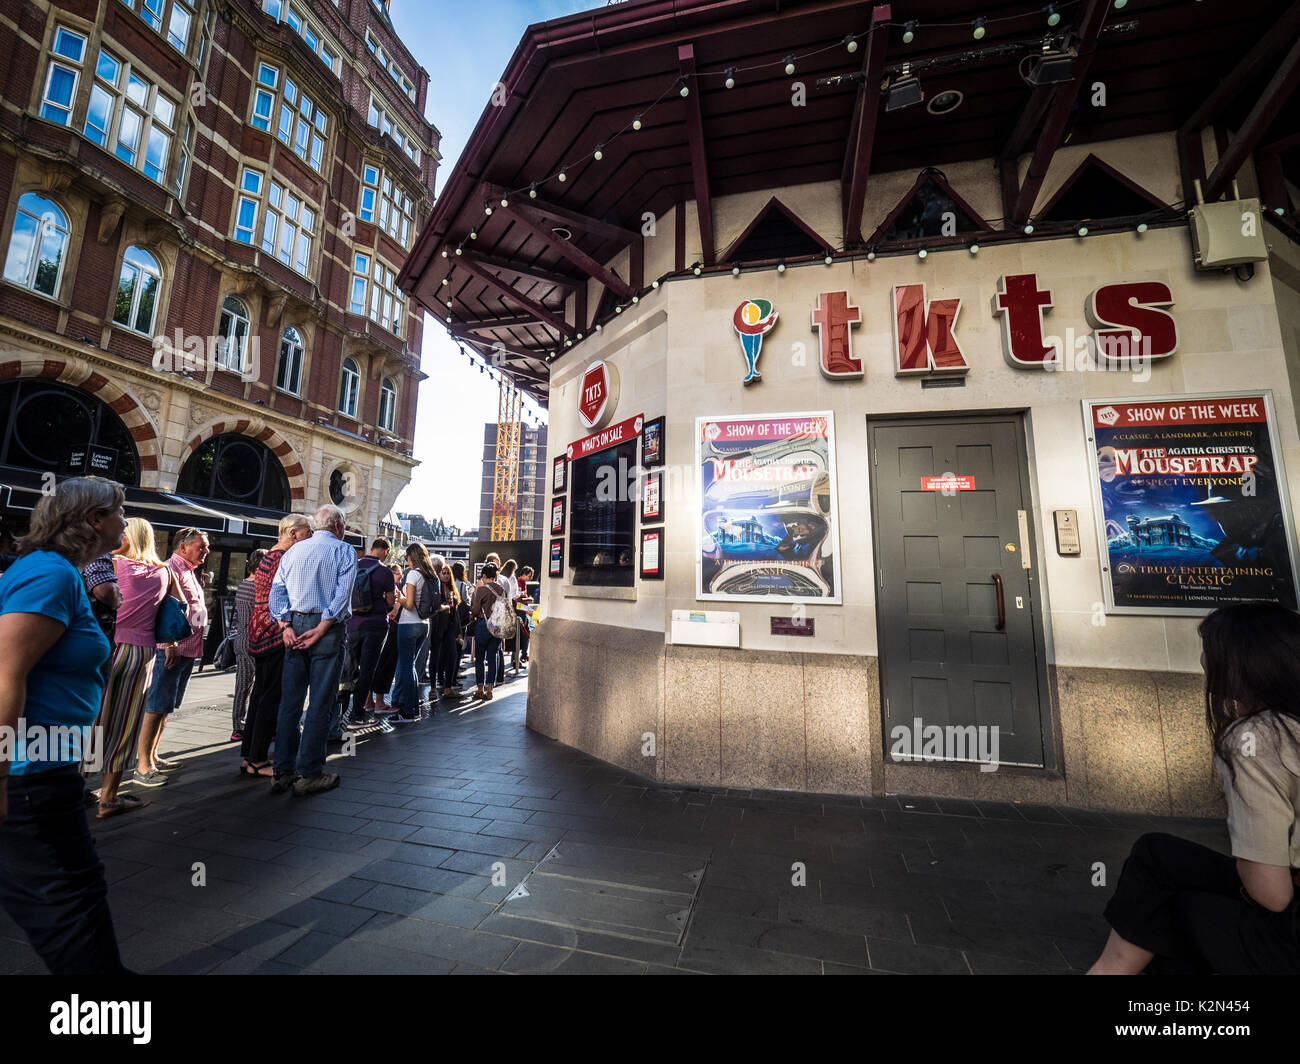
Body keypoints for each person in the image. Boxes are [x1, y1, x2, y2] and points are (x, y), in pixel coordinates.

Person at [1089, 603, 1300, 975]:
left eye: (1211, 651)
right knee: (1160, 857)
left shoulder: (1259, 738)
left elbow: (1273, 895)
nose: (1203, 661)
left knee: (1167, 907)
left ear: (1244, 664)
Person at [0, 476, 128, 974]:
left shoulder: (60, 573)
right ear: (94, 520)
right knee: (68, 910)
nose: (125, 519)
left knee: (78, 895)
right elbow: (7, 675)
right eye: (119, 510)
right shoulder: (49, 574)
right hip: (29, 775)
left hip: (48, 768)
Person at [88, 517, 176, 818]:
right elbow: (178, 607)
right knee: (125, 722)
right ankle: (109, 796)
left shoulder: (112, 565)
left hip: (110, 647)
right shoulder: (164, 572)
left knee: (94, 718)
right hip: (144, 652)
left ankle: (75, 787)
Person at [268, 504, 356, 795]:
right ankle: (309, 773)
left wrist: (285, 626)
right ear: (339, 527)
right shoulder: (344, 551)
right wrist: (323, 626)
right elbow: (342, 595)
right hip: (326, 630)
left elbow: (277, 590)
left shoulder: (294, 551)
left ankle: (282, 770)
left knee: (290, 703)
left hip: (294, 624)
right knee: (320, 701)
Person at [135, 528, 209, 787]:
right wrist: (169, 643)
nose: (206, 551)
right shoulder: (170, 569)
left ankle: (153, 755)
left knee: (166, 705)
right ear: (183, 547)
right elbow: (163, 610)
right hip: (172, 648)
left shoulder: (188, 570)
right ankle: (143, 765)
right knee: (156, 705)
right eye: (201, 547)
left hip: (187, 648)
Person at [240, 514, 311, 778]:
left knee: (260, 694)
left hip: (259, 630)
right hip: (275, 632)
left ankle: (249, 755)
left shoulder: (269, 556)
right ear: (293, 533)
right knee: (271, 696)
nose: (310, 537)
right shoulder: (286, 558)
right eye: (307, 532)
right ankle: (258, 759)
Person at [343, 537, 396, 730]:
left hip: (352, 624)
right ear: (386, 551)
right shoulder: (385, 572)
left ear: (371, 548)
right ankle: (358, 713)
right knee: (367, 670)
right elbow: (391, 602)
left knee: (349, 668)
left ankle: (341, 712)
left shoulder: (353, 566)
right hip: (375, 625)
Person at [392, 543, 436, 723]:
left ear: (412, 557)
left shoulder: (413, 574)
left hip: (409, 624)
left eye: (407, 558)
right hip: (424, 624)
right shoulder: (432, 576)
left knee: (406, 667)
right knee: (411, 666)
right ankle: (409, 706)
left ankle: (409, 710)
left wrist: (399, 598)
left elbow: (409, 604)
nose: (407, 561)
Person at [230, 549, 266, 742]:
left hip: (241, 639)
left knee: (242, 686)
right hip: (256, 642)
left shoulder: (243, 585)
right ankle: (254, 724)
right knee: (261, 686)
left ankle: (237, 726)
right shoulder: (259, 589)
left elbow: (237, 616)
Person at [368, 564, 403, 713]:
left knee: (372, 665)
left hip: (373, 628)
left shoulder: (374, 585)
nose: (401, 576)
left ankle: (368, 700)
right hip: (390, 629)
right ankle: (380, 702)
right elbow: (394, 610)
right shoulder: (392, 589)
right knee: (385, 665)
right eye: (398, 573)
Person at [469, 563, 506, 701]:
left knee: (480, 658)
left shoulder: (482, 589)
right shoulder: (501, 589)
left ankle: (480, 689)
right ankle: (490, 690)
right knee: (492, 657)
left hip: (483, 625)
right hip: (497, 626)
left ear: (484, 575)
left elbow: (476, 610)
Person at [429, 564, 461, 700]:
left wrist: (458, 631)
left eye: (448, 573)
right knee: (435, 658)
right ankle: (433, 688)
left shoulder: (452, 589)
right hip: (437, 627)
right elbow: (433, 608)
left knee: (452, 655)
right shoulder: (436, 588)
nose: (446, 575)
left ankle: (448, 688)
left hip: (450, 627)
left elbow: (455, 611)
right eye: (443, 573)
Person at [82, 551, 120, 647]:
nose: (123, 534)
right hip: (89, 642)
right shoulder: (97, 549)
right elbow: (104, 591)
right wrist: (118, 597)